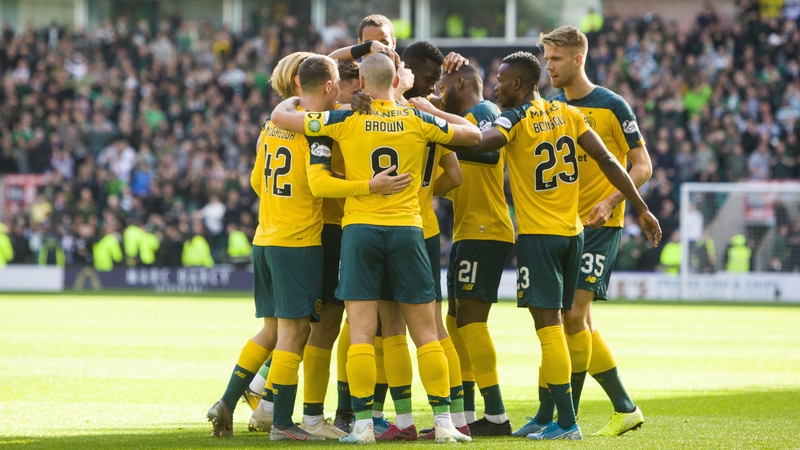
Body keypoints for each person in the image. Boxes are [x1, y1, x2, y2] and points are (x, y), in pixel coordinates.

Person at [415, 51, 661, 440]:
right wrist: (641, 207)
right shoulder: (568, 113)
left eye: (500, 80)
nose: (495, 86)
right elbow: (610, 160)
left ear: (517, 84)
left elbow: (480, 143)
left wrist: (422, 122)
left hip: (539, 238)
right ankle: (551, 417)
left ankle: (566, 422)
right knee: (564, 325)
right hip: (573, 234)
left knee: (549, 329)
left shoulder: (514, 118)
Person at [270, 52, 481, 444]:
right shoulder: (417, 119)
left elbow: (282, 118)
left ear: (362, 85)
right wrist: (422, 109)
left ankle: (363, 425)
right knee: (426, 334)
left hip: (360, 230)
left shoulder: (346, 119)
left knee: (363, 333)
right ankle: (444, 423)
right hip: (407, 230)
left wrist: (291, 98)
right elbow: (473, 135)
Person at [207, 53, 407, 440]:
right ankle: (282, 422)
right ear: (330, 87)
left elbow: (254, 181)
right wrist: (368, 186)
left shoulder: (273, 124)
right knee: (294, 334)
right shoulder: (314, 131)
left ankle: (228, 402)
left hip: (265, 237)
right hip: (298, 242)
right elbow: (319, 185)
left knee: (271, 331)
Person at [522, 25, 654, 437]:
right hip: (563, 227)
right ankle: (615, 408)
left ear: (578, 58)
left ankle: (565, 418)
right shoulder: (553, 107)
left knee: (571, 317)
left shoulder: (612, 104)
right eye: (546, 59)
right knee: (573, 322)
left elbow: (642, 165)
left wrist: (611, 201)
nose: (549, 66)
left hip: (602, 226)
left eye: (555, 59)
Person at [436, 63, 516, 436]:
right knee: (457, 320)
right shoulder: (463, 117)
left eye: (442, 84)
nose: (438, 90)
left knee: (471, 321)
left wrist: (434, 122)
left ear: (460, 83)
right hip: (469, 230)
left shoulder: (483, 111)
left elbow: (487, 153)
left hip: (486, 229)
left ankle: (496, 415)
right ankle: (466, 416)